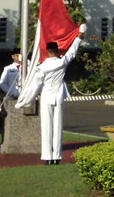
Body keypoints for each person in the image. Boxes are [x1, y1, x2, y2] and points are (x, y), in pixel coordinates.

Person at [16, 23, 86, 164]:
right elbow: (72, 51)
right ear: (57, 51)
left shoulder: (41, 67)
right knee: (58, 126)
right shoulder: (62, 62)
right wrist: (80, 33)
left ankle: (48, 157)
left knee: (46, 127)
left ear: (47, 52)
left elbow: (35, 87)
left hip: (47, 96)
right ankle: (56, 157)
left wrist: (24, 101)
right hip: (58, 95)